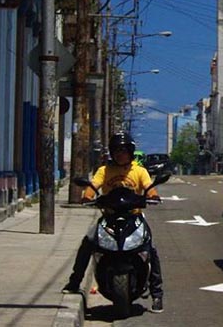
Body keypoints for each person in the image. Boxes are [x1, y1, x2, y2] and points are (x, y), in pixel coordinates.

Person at [62, 132, 165, 314]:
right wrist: (88, 197)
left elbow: (150, 189)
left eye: (124, 150)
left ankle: (157, 294)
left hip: (134, 218)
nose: (120, 154)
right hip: (109, 218)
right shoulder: (104, 171)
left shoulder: (139, 171)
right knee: (88, 242)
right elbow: (92, 188)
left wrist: (153, 196)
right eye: (117, 150)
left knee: (151, 248)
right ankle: (74, 281)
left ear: (131, 152)